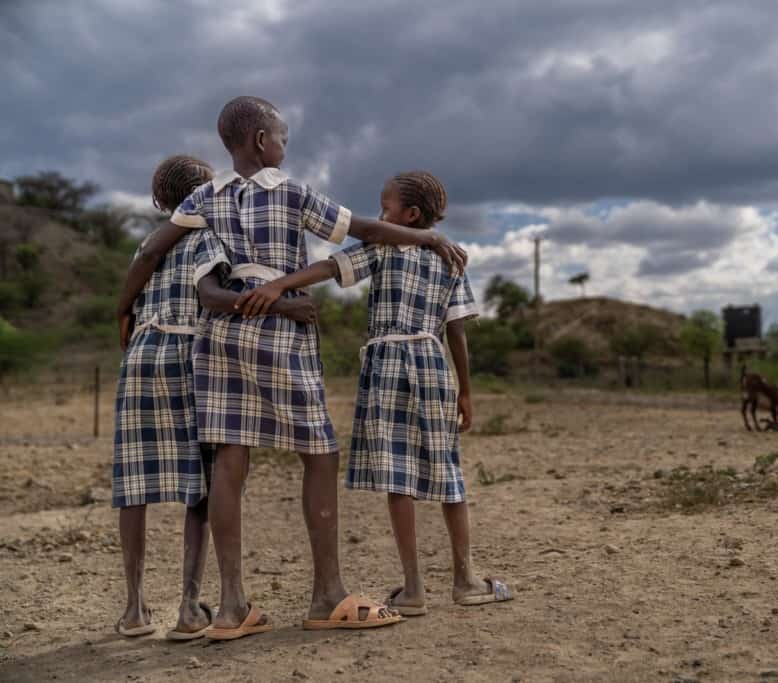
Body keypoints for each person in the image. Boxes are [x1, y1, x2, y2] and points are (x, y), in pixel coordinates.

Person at [115, 96, 467, 639]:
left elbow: (150, 252)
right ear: (262, 142)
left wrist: (124, 307)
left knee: (230, 457)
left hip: (220, 336)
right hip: (280, 331)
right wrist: (425, 235)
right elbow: (364, 230)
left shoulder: (206, 198)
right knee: (319, 454)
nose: (284, 145)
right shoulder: (293, 192)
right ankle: (327, 595)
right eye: (281, 137)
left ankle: (232, 606)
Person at [236, 171, 513, 617]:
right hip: (433, 364)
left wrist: (279, 284)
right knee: (448, 473)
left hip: (387, 365)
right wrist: (465, 391)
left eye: (385, 207)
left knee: (397, 477)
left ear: (411, 214)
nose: (380, 215)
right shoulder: (451, 257)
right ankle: (466, 580)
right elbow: (455, 329)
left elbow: (329, 268)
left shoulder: (383, 246)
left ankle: (414, 588)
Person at [112, 155, 317, 640]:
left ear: (160, 200)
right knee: (201, 490)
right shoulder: (211, 236)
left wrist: (120, 310)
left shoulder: (150, 244)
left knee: (133, 485)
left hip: (140, 355)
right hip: (191, 357)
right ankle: (188, 608)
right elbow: (219, 297)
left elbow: (141, 278)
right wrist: (287, 307)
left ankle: (134, 610)